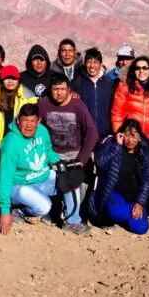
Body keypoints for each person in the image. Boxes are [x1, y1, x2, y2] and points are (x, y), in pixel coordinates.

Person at [39, 73, 99, 233]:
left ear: (69, 90)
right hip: (52, 153)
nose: (59, 92)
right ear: (49, 90)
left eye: (62, 89)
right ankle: (51, 212)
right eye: (55, 89)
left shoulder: (77, 105)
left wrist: (82, 158)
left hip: (74, 154)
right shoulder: (43, 104)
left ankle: (72, 220)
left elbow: (92, 133)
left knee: (72, 183)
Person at [0, 104, 63, 235]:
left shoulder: (42, 131)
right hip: (19, 185)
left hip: (41, 178)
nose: (29, 125)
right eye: (25, 121)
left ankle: (70, 220)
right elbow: (4, 178)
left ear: (39, 121)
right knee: (44, 207)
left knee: (68, 180)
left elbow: (48, 150)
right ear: (18, 121)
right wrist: (4, 211)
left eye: (33, 121)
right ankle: (19, 212)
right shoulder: (11, 143)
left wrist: (58, 161)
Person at [89, 119, 149, 234]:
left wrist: (140, 203)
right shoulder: (112, 144)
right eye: (127, 135)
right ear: (121, 134)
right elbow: (100, 162)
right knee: (117, 213)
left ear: (139, 137)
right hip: (114, 193)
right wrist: (117, 145)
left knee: (141, 228)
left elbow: (147, 179)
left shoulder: (144, 151)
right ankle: (122, 214)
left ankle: (130, 212)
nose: (130, 140)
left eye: (134, 136)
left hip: (134, 196)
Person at [110, 55, 149, 139]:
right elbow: (117, 113)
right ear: (133, 71)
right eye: (138, 68)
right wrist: (118, 132)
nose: (141, 71)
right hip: (131, 136)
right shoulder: (124, 87)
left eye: (145, 68)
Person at [0, 66, 38, 151]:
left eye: (14, 78)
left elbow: (33, 124)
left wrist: (25, 146)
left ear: (18, 79)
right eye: (7, 78)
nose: (10, 81)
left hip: (22, 145)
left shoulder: (29, 97)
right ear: (1, 80)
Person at [73, 47, 114, 141]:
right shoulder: (76, 83)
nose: (92, 66)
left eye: (95, 62)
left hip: (106, 136)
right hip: (84, 136)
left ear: (100, 64)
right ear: (84, 64)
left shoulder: (110, 84)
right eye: (89, 62)